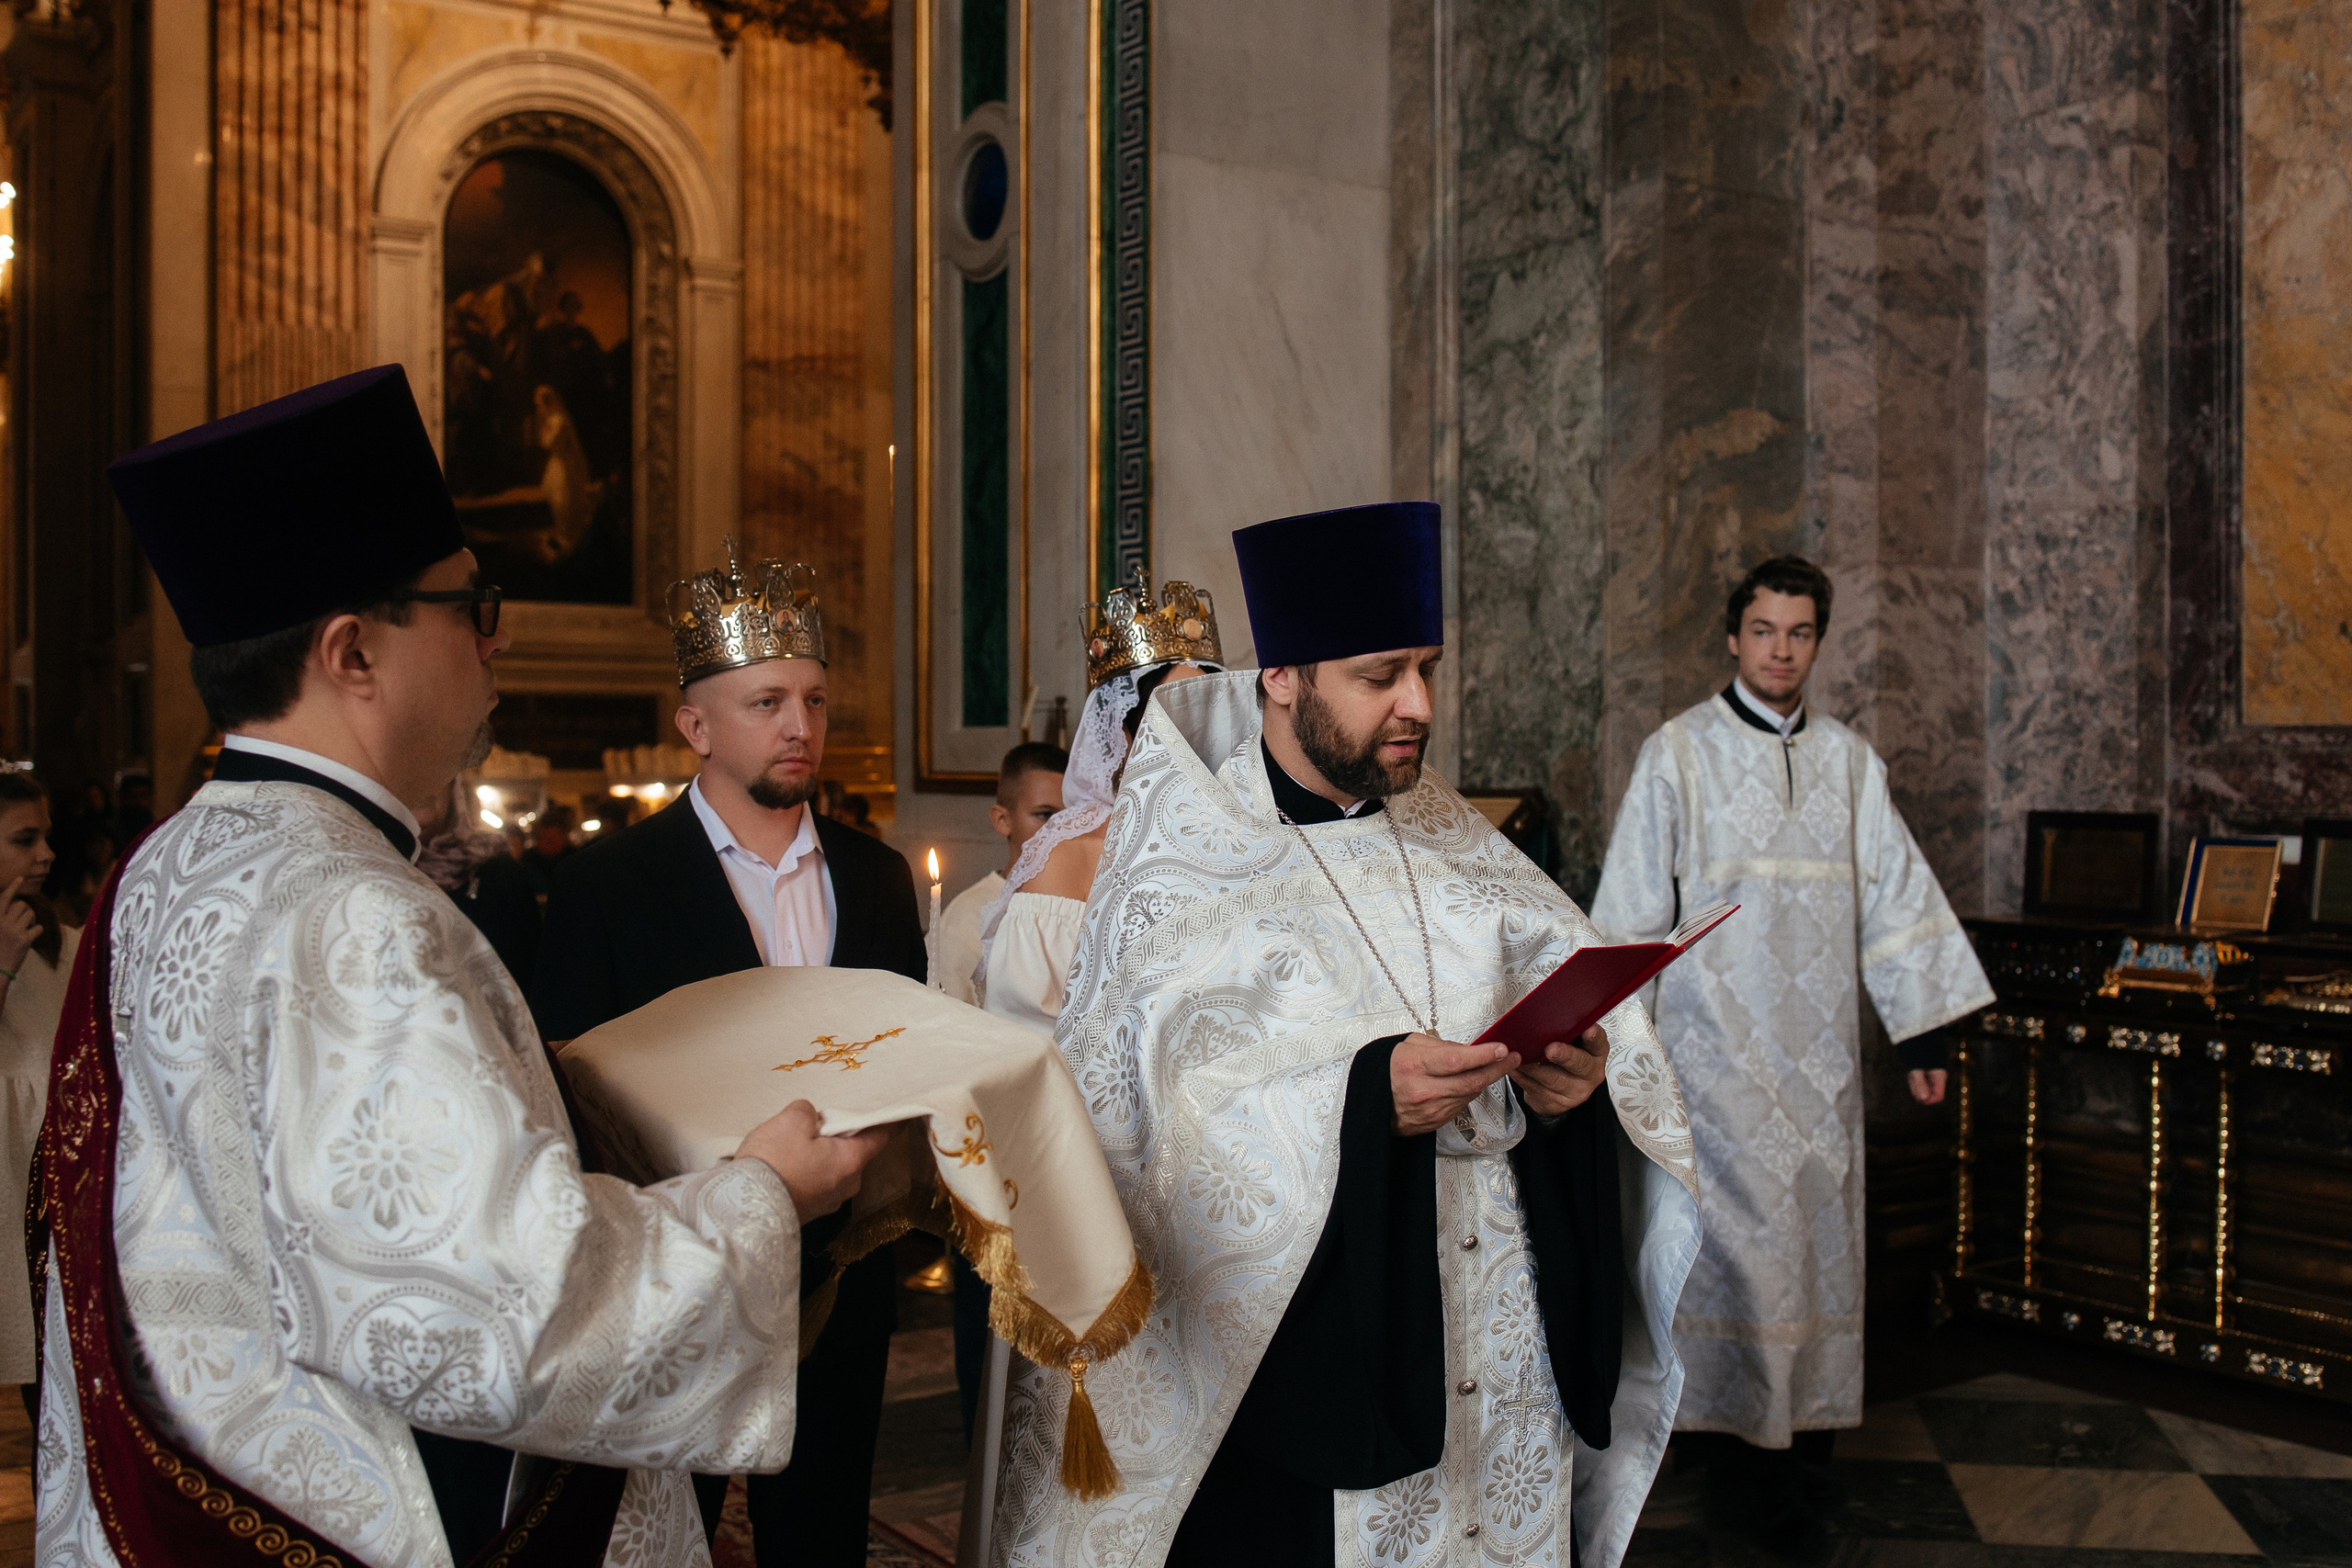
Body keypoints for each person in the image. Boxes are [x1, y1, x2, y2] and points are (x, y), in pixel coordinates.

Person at [43, 365, 890, 1567]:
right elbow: (504, 1317)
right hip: (377, 1507)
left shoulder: (178, 858)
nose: (498, 636)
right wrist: (764, 1190)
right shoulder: (350, 913)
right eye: (470, 602)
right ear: (353, 652)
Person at [989, 504, 1702, 1568]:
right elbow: (1136, 1122)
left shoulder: (1457, 841)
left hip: (1501, 1368)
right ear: (1283, 675)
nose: (1416, 705)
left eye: (1427, 668)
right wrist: (1364, 1099)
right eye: (1380, 676)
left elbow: (1576, 1030)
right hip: (1317, 1382)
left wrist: (1572, 1096)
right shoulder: (1183, 862)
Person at [535, 542, 929, 1568]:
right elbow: (572, 1092)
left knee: (823, 1529)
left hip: (840, 1271)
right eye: (765, 703)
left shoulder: (878, 877)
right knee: (670, 1528)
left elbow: (910, 1049)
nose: (799, 727)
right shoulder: (604, 886)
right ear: (695, 726)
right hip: (680, 1269)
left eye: (813, 700)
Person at [1589, 554, 1995, 1545]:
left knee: (1817, 1263)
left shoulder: (1849, 764)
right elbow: (1633, 909)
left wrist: (1924, 1035)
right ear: (1733, 637)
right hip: (1709, 1068)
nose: (1780, 650)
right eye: (1762, 630)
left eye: (1799, 632)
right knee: (1721, 1264)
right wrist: (1603, 1044)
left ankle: (1806, 1464)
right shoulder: (1675, 754)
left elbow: (1896, 897)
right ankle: (1727, 1468)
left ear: (1818, 640)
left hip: (1817, 1076)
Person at [0, 768, 72, 1420]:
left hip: (47, 1174)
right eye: (25, 838)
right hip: (3, 1168)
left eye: (46, 835)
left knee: (52, 1376)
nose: (46, 852)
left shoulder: (61, 940)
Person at [937, 743, 1069, 1010]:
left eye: (1074, 818)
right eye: (1045, 815)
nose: (1062, 831)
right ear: (1003, 821)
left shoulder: (1083, 907)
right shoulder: (967, 918)